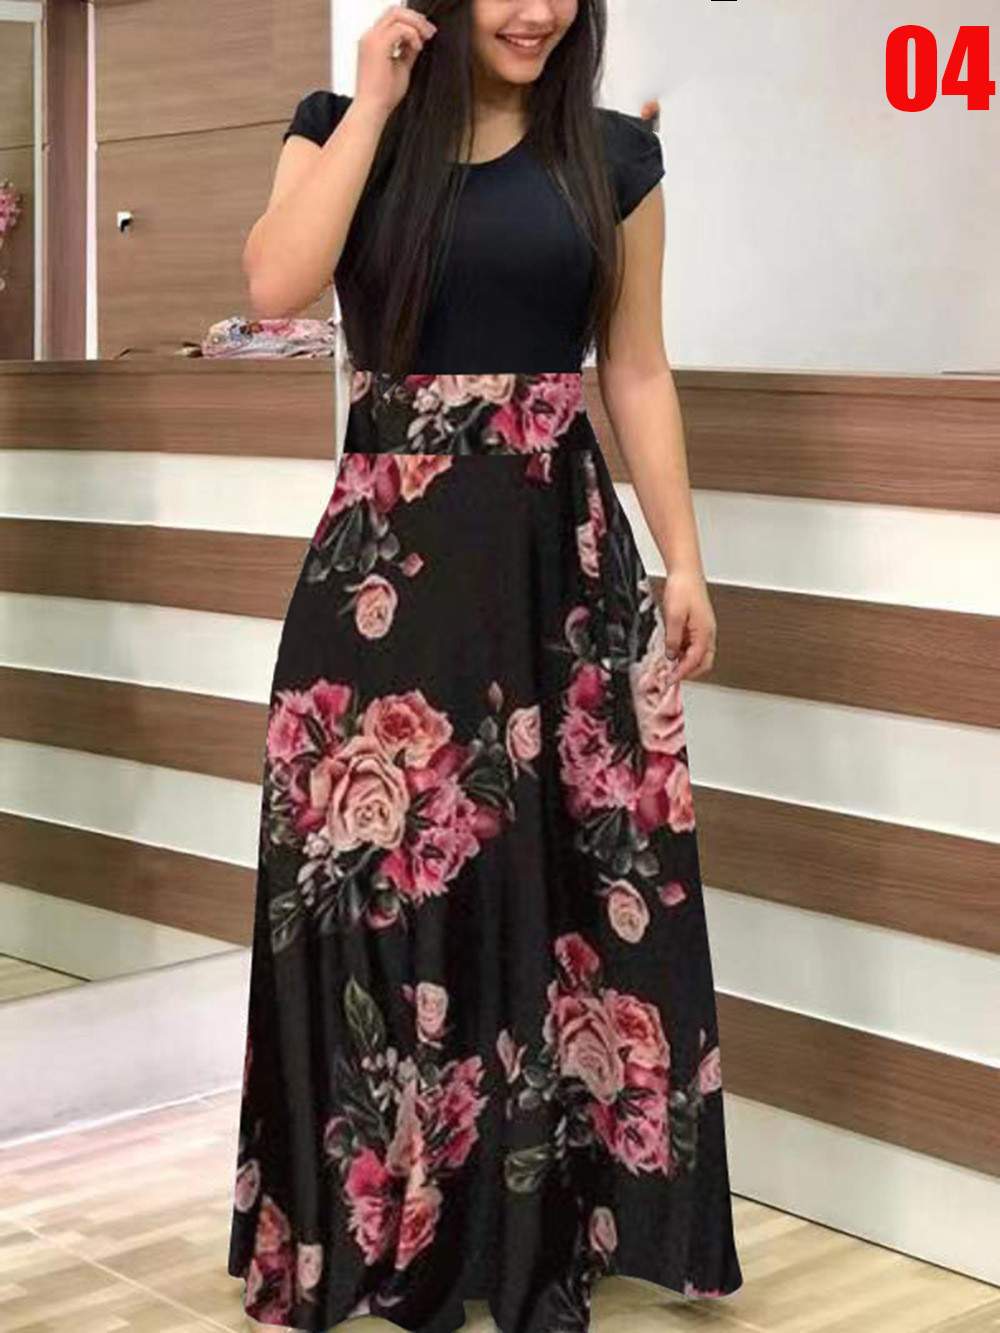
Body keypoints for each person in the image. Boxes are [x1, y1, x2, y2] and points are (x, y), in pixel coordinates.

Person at [227, 4, 743, 1331]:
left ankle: (530, 1227)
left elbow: (636, 369)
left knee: (553, 892)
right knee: (367, 899)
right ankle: (380, 1224)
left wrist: (683, 558)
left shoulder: (613, 157)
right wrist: (376, 101)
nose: (539, 10)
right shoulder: (341, 129)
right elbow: (277, 284)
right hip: (384, 581)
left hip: (555, 571)